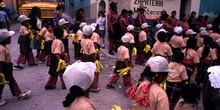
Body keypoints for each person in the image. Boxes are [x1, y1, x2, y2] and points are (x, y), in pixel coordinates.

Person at [0, 29, 31, 106]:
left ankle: (19, 94)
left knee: (11, 81)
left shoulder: (3, 47)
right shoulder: (2, 49)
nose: (10, 39)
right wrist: (1, 73)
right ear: (4, 40)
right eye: (8, 38)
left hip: (7, 67)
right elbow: (0, 62)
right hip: (4, 68)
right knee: (2, 84)